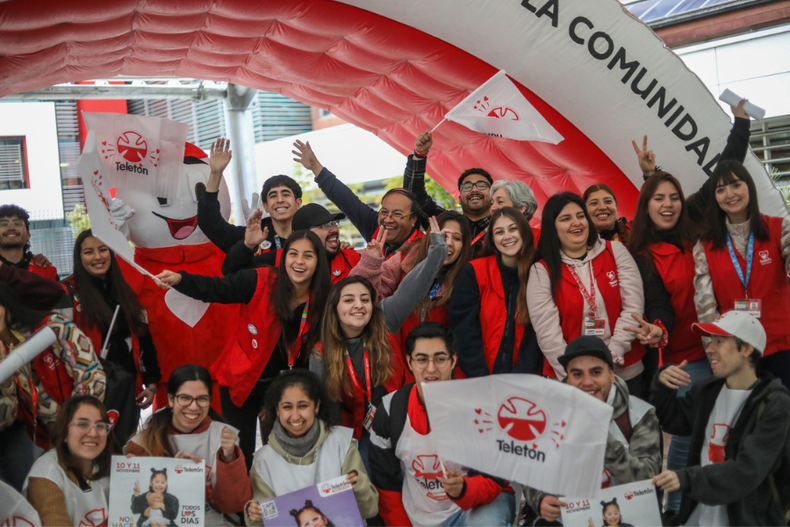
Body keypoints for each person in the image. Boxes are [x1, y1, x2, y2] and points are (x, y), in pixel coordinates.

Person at [155, 230, 331, 468]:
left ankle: (276, 503)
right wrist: (180, 279)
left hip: (283, 388)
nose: (299, 261)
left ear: (318, 262)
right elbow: (216, 288)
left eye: (308, 256)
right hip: (240, 383)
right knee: (238, 455)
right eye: (293, 254)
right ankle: (239, 504)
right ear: (283, 257)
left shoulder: (323, 299)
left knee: (282, 457)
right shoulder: (261, 280)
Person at [312, 224, 448, 470]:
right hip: (352, 434)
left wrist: (438, 249)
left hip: (400, 425)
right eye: (349, 300)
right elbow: (321, 410)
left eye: (365, 299)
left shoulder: (385, 319)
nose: (359, 305)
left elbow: (413, 287)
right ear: (335, 307)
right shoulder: (322, 352)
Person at [651, 311, 790, 526]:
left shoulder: (774, 404)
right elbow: (673, 420)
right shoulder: (707, 391)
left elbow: (747, 471)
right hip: (698, 518)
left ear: (746, 349)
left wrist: (686, 478)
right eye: (710, 341)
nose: (709, 349)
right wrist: (663, 385)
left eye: (720, 342)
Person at [370, 322, 515, 526]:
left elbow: (496, 478)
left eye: (440, 359)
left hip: (475, 506)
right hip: (419, 516)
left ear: (453, 360)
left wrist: (464, 489)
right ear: (409, 362)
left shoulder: (480, 408)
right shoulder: (389, 409)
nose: (431, 368)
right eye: (421, 359)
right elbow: (385, 484)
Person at [626, 173, 711, 513]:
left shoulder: (696, 234)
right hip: (686, 356)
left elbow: (721, 174)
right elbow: (658, 302)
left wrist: (741, 123)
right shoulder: (641, 254)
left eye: (674, 197)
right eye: (658, 198)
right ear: (646, 205)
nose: (668, 204)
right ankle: (673, 509)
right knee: (687, 432)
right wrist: (659, 329)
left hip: (723, 347)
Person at [524, 336, 661, 525]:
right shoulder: (549, 417)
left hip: (626, 517)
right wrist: (540, 499)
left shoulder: (639, 415)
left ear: (612, 375)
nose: (586, 382)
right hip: (571, 519)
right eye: (577, 374)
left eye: (596, 372)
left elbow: (647, 480)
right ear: (568, 378)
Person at [527, 192, 647, 394]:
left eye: (580, 215)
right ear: (552, 227)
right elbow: (547, 333)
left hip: (623, 370)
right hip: (568, 380)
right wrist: (576, 374)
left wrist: (612, 356)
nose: (576, 223)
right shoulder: (541, 270)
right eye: (566, 218)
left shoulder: (615, 250)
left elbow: (634, 306)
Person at [692, 159, 790, 388]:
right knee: (747, 421)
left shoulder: (779, 229)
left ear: (749, 187)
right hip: (737, 353)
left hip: (782, 345)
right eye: (720, 189)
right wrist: (716, 354)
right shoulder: (705, 246)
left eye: (736, 185)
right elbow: (705, 309)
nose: (729, 194)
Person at [0, 282, 105, 492]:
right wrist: (6, 383)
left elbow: (93, 378)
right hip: (38, 439)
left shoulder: (53, 327)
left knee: (90, 494)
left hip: (82, 432)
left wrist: (74, 428)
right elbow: (7, 418)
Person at [63, 229, 161, 445]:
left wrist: (151, 383)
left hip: (128, 390)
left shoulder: (123, 289)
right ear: (79, 258)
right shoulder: (69, 293)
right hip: (89, 393)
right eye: (88, 252)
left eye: (103, 249)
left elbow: (144, 338)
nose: (97, 257)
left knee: (122, 454)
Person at [245, 370, 378, 525]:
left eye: (303, 406)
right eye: (287, 407)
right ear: (277, 410)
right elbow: (264, 521)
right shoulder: (264, 461)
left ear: (316, 406)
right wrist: (253, 516)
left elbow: (370, 510)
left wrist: (359, 487)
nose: (295, 416)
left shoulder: (340, 443)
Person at [126, 364, 252, 525]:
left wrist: (228, 459)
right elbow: (134, 509)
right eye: (185, 398)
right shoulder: (143, 442)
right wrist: (130, 472)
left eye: (202, 399)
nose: (193, 406)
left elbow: (235, 504)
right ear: (171, 399)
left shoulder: (225, 438)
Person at [450, 207, 542, 376]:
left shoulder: (538, 272)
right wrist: (481, 377)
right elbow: (464, 331)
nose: (507, 236)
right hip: (476, 378)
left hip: (523, 381)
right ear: (492, 239)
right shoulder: (474, 271)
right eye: (499, 232)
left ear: (524, 231)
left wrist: (521, 377)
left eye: (513, 229)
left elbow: (535, 335)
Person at [293, 140, 424, 258]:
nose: (388, 219)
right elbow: (346, 200)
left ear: (413, 219)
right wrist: (315, 166)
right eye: (384, 212)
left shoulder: (424, 250)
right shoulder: (377, 227)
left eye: (397, 214)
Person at [198, 137, 302, 255]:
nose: (279, 200)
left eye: (285, 194)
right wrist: (216, 174)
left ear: (298, 203)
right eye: (273, 196)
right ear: (265, 206)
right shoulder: (252, 236)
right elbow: (209, 223)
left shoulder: (311, 236)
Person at [24, 395, 116, 527]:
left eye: (101, 426)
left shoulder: (106, 465)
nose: (93, 433)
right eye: (83, 424)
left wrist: (134, 476)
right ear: (64, 433)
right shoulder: (46, 473)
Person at [404, 130, 494, 257]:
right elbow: (415, 197)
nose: (474, 190)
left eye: (481, 185)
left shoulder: (501, 227)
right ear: (459, 198)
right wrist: (419, 155)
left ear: (492, 197)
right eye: (467, 186)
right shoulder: (443, 222)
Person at [222, 203, 360, 283]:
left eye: (334, 223)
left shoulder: (351, 258)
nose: (334, 229)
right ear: (302, 235)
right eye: (324, 226)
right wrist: (247, 245)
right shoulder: (283, 258)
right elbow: (231, 272)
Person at [0, 204, 57, 280]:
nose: (11, 228)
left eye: (17, 223)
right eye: (3, 224)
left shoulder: (47, 271)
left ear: (28, 234)